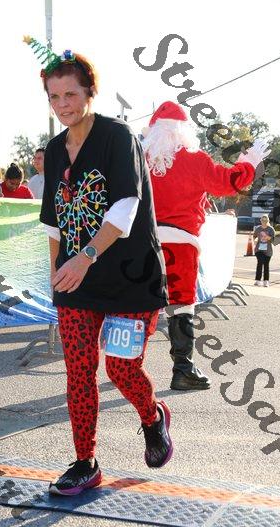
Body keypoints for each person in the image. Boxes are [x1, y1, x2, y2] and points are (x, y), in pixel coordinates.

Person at [39, 50, 171, 496]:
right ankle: (85, 462)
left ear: (89, 93)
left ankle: (152, 416)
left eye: (71, 94)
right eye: (54, 97)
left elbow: (125, 208)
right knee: (79, 372)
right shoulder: (55, 150)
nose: (63, 105)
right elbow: (54, 219)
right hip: (76, 281)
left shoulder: (118, 136)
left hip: (131, 278)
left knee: (120, 368)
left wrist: (84, 257)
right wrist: (57, 271)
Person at [142, 101, 270, 391]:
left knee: (142, 304)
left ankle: (129, 365)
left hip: (144, 242)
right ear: (183, 130)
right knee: (181, 307)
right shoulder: (194, 158)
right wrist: (248, 163)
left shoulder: (140, 159)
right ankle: (183, 370)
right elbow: (226, 183)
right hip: (181, 244)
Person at [253, 214, 275, 286]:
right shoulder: (258, 228)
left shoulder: (271, 229)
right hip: (259, 250)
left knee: (266, 265)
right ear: (261, 221)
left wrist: (268, 237)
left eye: (265, 220)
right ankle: (258, 280)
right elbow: (254, 236)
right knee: (260, 263)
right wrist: (255, 240)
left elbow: (273, 240)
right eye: (262, 220)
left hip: (268, 251)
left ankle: (266, 281)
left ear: (268, 221)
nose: (264, 222)